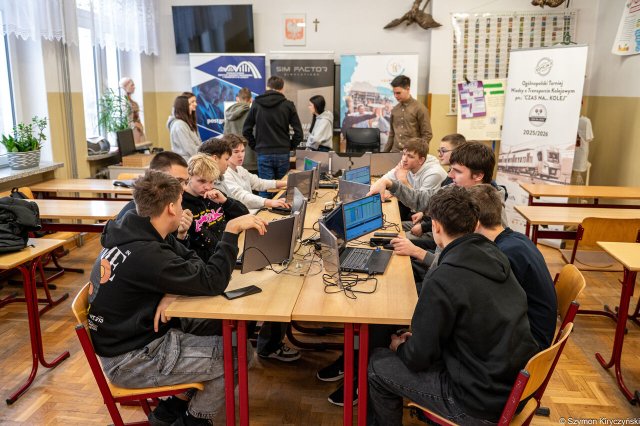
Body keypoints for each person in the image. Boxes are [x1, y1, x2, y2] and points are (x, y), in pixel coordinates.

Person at [88, 170, 268, 426]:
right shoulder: (148, 252)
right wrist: (231, 231)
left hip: (135, 336)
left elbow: (192, 260)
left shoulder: (137, 229)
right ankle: (193, 421)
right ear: (172, 208)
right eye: (181, 203)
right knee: (238, 355)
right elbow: (212, 281)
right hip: (131, 360)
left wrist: (171, 289)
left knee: (218, 327)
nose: (184, 209)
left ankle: (170, 409)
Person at [367, 186, 539, 425]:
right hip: (511, 388)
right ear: (475, 223)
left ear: (436, 226)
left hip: (475, 402)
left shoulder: (444, 277)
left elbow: (417, 359)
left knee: (378, 364)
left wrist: (401, 347)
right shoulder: (496, 255)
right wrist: (419, 342)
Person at [468, 184, 557, 349]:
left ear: (475, 223)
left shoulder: (503, 255)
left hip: (529, 342)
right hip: (533, 329)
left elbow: (493, 309)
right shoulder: (516, 239)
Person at [182, 153, 250, 261]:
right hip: (206, 262)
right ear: (188, 177)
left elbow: (245, 216)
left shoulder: (215, 195)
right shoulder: (181, 204)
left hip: (227, 253)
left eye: (211, 182)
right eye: (202, 181)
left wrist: (225, 201)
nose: (208, 187)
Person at [242, 75, 303, 187]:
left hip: (263, 152)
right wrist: (289, 146)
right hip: (282, 152)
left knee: (265, 188)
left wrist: (255, 146)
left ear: (267, 87)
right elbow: (299, 133)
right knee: (284, 188)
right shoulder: (288, 105)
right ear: (282, 88)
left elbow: (246, 130)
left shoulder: (256, 104)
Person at [381, 137, 446, 222]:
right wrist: (388, 188)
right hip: (413, 209)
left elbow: (420, 205)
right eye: (404, 154)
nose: (404, 159)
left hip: (430, 217)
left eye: (410, 156)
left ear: (421, 160)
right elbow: (384, 180)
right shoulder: (407, 163)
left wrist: (403, 181)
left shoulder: (434, 173)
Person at [223, 134, 289, 215]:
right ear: (226, 153)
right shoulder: (225, 174)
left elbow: (258, 182)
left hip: (250, 212)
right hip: (243, 216)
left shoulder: (239, 169)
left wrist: (286, 183)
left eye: (243, 151)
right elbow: (242, 196)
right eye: (236, 152)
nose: (241, 155)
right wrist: (269, 202)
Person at [116, 151, 190, 221]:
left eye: (186, 182)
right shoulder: (139, 216)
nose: (185, 188)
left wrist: (181, 231)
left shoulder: (169, 204)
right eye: (178, 181)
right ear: (157, 177)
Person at [383, 75, 432, 153]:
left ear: (407, 89)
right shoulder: (395, 110)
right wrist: (383, 154)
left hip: (412, 153)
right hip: (395, 153)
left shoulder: (420, 108)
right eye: (394, 93)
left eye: (398, 93)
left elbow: (427, 134)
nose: (395, 96)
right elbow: (392, 134)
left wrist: (417, 152)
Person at [224, 87, 257, 173]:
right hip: (251, 159)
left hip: (233, 160)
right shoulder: (253, 114)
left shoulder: (229, 114)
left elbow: (225, 136)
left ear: (237, 99)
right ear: (251, 100)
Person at [168, 92, 201, 161]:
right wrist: (205, 153)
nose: (195, 104)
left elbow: (198, 142)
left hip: (193, 160)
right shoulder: (179, 125)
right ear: (183, 106)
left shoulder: (188, 122)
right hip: (186, 162)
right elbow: (189, 149)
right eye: (191, 102)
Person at [119, 77, 146, 144]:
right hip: (130, 132)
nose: (134, 87)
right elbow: (126, 121)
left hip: (138, 130)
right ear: (125, 87)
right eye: (132, 85)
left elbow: (137, 118)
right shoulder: (123, 103)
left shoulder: (133, 103)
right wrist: (135, 125)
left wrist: (140, 126)